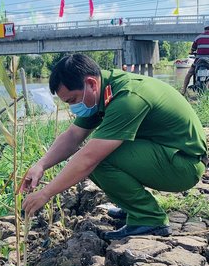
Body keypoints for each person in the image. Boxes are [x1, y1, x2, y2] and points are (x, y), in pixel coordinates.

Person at [22, 54, 206, 240]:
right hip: (166, 154)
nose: (73, 107)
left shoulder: (127, 97)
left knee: (98, 159)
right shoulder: (102, 90)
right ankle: (133, 208)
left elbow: (88, 158)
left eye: (72, 100)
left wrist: (45, 193)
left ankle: (149, 218)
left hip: (184, 165)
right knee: (92, 157)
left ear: (91, 83)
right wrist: (41, 165)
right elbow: (73, 136)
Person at [182, 25, 209, 95]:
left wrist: (192, 52)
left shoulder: (198, 37)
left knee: (189, 74)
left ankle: (183, 90)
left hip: (198, 61)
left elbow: (192, 50)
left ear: (204, 29)